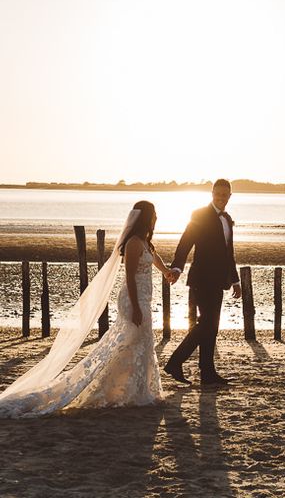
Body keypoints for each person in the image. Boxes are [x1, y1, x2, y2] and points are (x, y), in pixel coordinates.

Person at [0, 201, 170, 418]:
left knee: (139, 342)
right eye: (154, 214)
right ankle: (129, 390)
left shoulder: (145, 242)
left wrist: (166, 271)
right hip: (133, 299)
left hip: (144, 298)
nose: (156, 217)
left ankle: (137, 390)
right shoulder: (134, 243)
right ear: (145, 217)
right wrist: (136, 306)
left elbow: (154, 258)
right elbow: (129, 277)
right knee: (134, 340)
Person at [164, 179, 241, 386]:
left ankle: (207, 373)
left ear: (230, 196)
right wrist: (177, 268)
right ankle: (175, 362)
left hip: (219, 281)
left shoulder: (228, 218)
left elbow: (228, 253)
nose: (221, 198)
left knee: (212, 326)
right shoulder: (199, 214)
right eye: (218, 194)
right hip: (201, 279)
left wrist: (235, 280)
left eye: (225, 195)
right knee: (206, 323)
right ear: (212, 194)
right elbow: (185, 242)